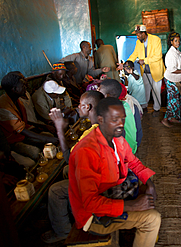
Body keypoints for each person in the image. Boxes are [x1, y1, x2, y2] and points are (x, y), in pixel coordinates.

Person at [68, 97, 161, 247]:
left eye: (122, 119)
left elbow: (133, 162)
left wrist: (149, 183)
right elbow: (90, 203)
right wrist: (132, 206)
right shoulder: (86, 151)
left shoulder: (116, 139)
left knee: (145, 190)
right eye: (114, 119)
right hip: (92, 215)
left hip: (111, 191)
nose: (120, 124)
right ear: (101, 119)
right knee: (153, 218)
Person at [41, 91, 104, 244]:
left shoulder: (91, 133)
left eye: (80, 105)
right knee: (65, 172)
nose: (78, 107)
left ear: (88, 107)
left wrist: (59, 129)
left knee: (55, 191)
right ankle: (74, 209)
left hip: (99, 180)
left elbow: (69, 158)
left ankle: (62, 231)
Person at [0, 72, 58, 162]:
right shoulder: (3, 107)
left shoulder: (17, 100)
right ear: (14, 89)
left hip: (20, 135)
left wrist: (44, 127)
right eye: (22, 86)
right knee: (35, 152)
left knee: (48, 136)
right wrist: (47, 139)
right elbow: (21, 130)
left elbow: (23, 122)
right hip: (11, 141)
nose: (25, 87)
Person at [118, 25, 165, 116]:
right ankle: (144, 106)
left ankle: (156, 109)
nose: (137, 36)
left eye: (138, 34)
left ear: (143, 33)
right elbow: (134, 54)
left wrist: (145, 61)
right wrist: (125, 64)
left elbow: (158, 56)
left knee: (156, 91)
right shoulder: (138, 42)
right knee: (145, 91)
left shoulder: (156, 40)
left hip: (156, 71)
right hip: (145, 71)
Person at [161, 32, 181, 128]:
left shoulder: (177, 52)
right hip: (171, 80)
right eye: (176, 41)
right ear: (171, 42)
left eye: (179, 40)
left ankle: (173, 118)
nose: (178, 42)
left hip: (177, 79)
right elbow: (173, 70)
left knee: (178, 99)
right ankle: (165, 119)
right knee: (172, 101)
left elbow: (179, 65)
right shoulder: (171, 54)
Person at [97, 79, 138, 153]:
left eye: (99, 89)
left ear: (107, 95)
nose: (97, 90)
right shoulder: (123, 105)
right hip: (131, 147)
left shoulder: (114, 112)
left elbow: (120, 136)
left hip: (125, 151)